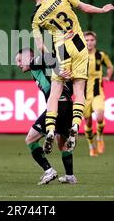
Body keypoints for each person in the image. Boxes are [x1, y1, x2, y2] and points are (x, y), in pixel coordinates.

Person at [17, 0, 114, 154]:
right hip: (79, 46)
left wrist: (55, 65)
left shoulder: (35, 18)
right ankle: (76, 126)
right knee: (78, 92)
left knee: (54, 95)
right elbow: (84, 8)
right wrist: (102, 10)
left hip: (61, 50)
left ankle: (49, 130)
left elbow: (40, 46)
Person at [15, 48, 77, 185]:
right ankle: (70, 176)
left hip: (57, 106)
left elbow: (49, 56)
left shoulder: (33, 63)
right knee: (62, 144)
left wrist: (59, 69)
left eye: (20, 60)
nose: (18, 64)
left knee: (30, 139)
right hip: (67, 105)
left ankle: (49, 171)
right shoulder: (40, 70)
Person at [82, 31, 113, 157]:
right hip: (82, 95)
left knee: (100, 117)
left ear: (95, 41)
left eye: (91, 40)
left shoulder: (101, 55)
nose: (89, 42)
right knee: (88, 122)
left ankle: (99, 137)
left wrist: (108, 77)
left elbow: (110, 67)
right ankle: (91, 145)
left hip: (97, 93)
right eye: (87, 40)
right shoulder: (78, 56)